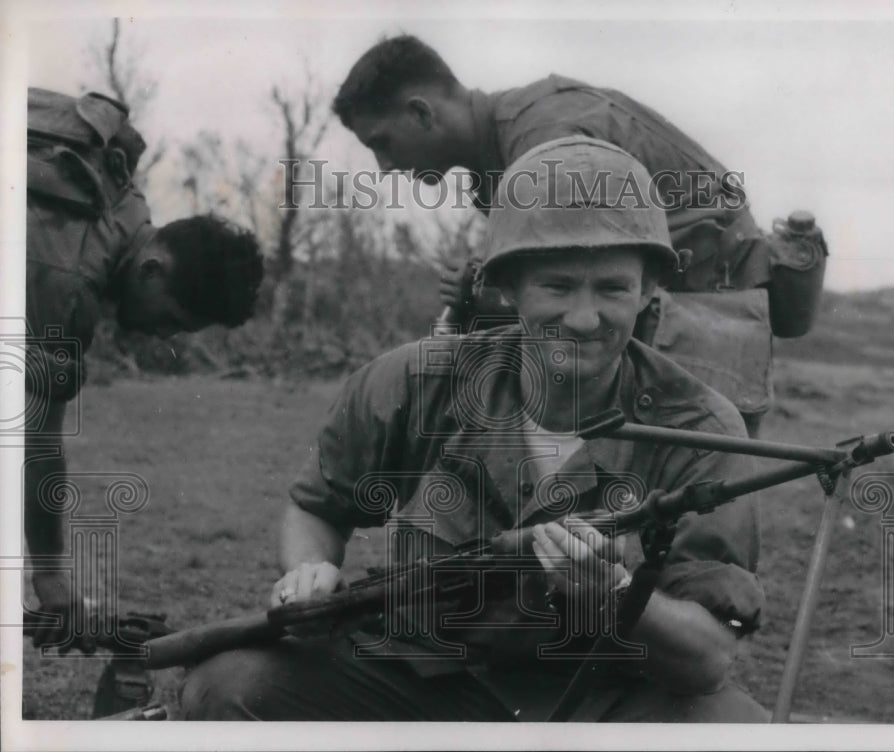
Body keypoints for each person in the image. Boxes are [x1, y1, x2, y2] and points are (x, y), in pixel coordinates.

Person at [180, 137, 767, 722]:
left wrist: (614, 593)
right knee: (232, 686)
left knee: (734, 729)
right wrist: (309, 572)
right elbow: (317, 507)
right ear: (508, 289)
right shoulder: (416, 381)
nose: (586, 319)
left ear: (648, 289)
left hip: (599, 693)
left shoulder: (703, 428)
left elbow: (708, 658)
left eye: (613, 288)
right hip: (421, 676)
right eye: (557, 287)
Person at [332, 34, 829, 437]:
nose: (386, 165)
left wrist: (481, 295)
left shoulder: (548, 138)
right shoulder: (500, 162)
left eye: (383, 143)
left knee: (698, 500)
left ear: (421, 113)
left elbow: (572, 275)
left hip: (706, 312)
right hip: (653, 312)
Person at [24, 87, 265, 651]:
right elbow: (38, 444)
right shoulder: (70, 287)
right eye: (173, 320)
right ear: (153, 269)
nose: (164, 336)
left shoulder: (124, 200)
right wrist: (51, 574)